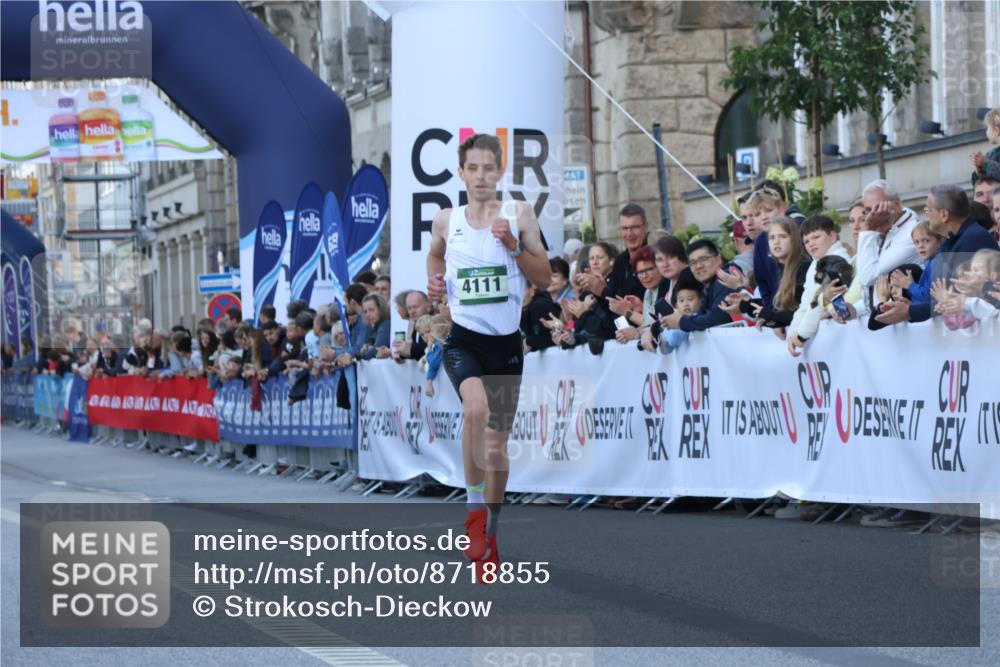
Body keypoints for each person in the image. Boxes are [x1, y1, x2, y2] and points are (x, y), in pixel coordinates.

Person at [426, 133, 551, 583]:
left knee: (496, 449)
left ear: (500, 172)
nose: (480, 176)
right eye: (472, 168)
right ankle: (473, 509)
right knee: (474, 410)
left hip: (507, 344)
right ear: (460, 173)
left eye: (488, 168)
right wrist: (435, 286)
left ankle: (492, 536)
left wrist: (514, 248)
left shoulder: (519, 214)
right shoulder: (446, 219)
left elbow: (547, 277)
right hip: (464, 340)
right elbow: (435, 258)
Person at [878, 184, 999, 325]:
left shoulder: (972, 239)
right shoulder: (954, 239)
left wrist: (910, 311)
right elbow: (940, 293)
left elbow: (957, 296)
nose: (926, 215)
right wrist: (911, 305)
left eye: (928, 210)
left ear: (944, 214)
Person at [856, 179, 920, 312]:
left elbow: (868, 276)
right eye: (868, 210)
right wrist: (855, 310)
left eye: (878, 207)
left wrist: (868, 229)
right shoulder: (882, 227)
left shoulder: (912, 233)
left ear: (896, 204)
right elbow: (871, 290)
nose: (873, 214)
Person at [735, 217, 809, 330]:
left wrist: (770, 316)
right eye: (772, 238)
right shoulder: (780, 268)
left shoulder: (804, 267)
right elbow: (784, 309)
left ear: (794, 239)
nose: (776, 242)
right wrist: (770, 321)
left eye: (782, 236)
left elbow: (804, 314)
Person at [660, 239, 735, 332]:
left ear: (718, 259)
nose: (698, 266)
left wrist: (681, 321)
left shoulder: (727, 279)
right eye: (693, 263)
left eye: (703, 259)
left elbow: (717, 319)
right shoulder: (706, 287)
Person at [970, 108, 1000, 186]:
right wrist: (978, 170)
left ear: (996, 131)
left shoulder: (988, 158)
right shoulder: (991, 154)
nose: (986, 132)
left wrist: (985, 163)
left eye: (987, 128)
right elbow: (978, 187)